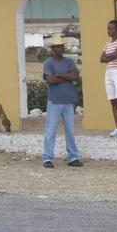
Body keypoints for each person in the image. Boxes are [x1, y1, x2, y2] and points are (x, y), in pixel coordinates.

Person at [42, 33, 83, 168]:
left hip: (68, 100)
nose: (59, 49)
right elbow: (50, 80)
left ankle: (73, 157)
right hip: (55, 100)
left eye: (61, 46)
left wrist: (59, 75)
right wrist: (67, 76)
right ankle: (47, 158)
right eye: (57, 47)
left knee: (70, 130)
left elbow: (76, 76)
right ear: (52, 49)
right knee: (50, 130)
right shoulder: (48, 63)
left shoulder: (69, 61)